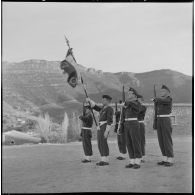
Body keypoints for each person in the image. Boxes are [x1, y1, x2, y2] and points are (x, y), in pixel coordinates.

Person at [86, 95, 114, 166]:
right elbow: (95, 107)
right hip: (100, 126)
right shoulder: (103, 108)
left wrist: (107, 131)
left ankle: (105, 160)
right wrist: (90, 101)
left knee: (103, 142)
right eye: (102, 100)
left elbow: (110, 120)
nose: (102, 101)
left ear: (108, 101)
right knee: (100, 143)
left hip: (104, 126)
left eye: (104, 100)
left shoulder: (109, 109)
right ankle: (102, 159)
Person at [152, 85, 174, 166]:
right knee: (161, 140)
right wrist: (155, 122)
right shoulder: (159, 101)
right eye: (161, 91)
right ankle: (165, 158)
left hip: (165, 120)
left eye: (163, 91)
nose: (161, 92)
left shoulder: (169, 99)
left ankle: (170, 159)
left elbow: (163, 100)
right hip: (159, 120)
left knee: (167, 140)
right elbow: (156, 112)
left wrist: (156, 99)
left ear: (168, 92)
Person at [121, 87, 142, 169]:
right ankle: (132, 161)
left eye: (130, 93)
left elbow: (138, 108)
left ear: (135, 95)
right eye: (128, 93)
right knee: (129, 143)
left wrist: (127, 103)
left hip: (134, 123)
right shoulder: (127, 104)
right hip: (127, 124)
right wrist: (122, 125)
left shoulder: (137, 103)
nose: (128, 94)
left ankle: (138, 161)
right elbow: (123, 115)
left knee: (135, 142)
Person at [137, 95, 147, 163]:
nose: (137, 101)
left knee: (141, 141)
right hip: (134, 124)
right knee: (136, 141)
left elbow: (139, 111)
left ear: (142, 100)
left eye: (139, 100)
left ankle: (142, 156)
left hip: (140, 124)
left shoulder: (143, 107)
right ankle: (137, 156)